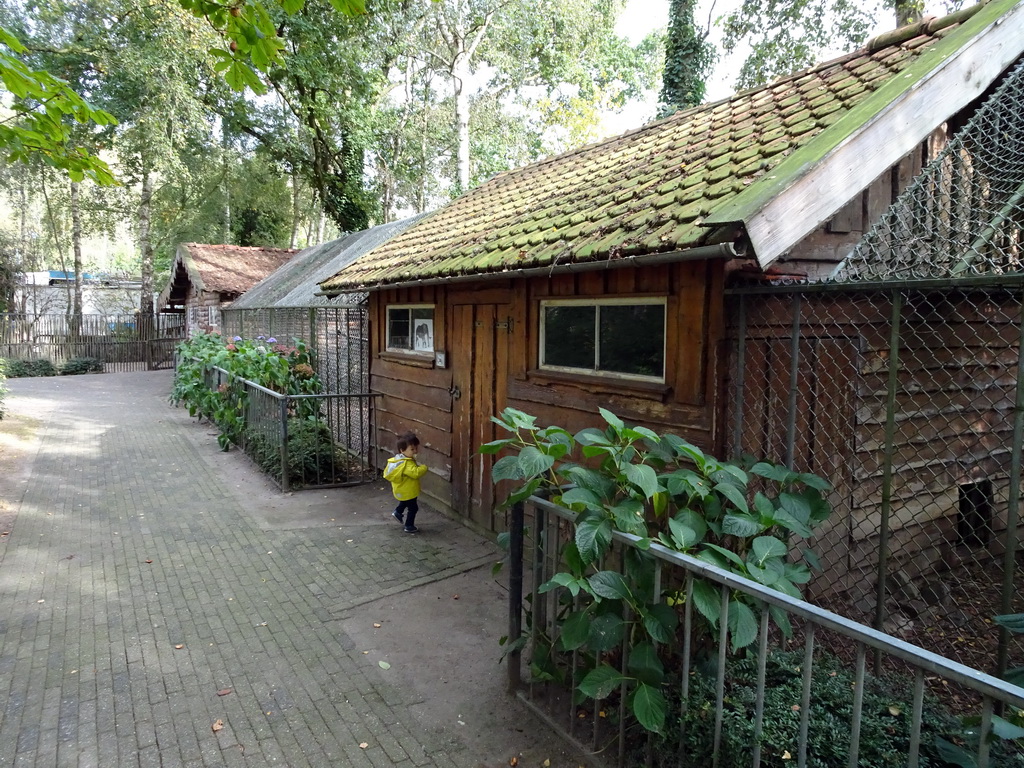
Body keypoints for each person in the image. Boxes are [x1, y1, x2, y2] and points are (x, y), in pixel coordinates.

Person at [383, 432, 428, 533]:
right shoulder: (406, 464)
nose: (415, 451)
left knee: (405, 502)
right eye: (412, 449)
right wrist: (424, 468)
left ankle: (398, 512)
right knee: (413, 508)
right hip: (408, 490)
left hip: (403, 489)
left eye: (416, 448)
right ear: (402, 450)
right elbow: (415, 473)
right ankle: (409, 525)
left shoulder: (398, 460)